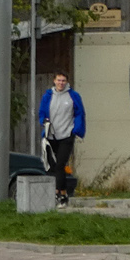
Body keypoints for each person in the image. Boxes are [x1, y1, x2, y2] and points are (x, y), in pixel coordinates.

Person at [38, 73, 86, 210]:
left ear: (67, 82)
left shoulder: (73, 96)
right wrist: (44, 122)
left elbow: (80, 113)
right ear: (54, 81)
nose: (61, 83)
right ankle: (60, 193)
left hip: (66, 135)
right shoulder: (48, 96)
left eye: (63, 80)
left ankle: (60, 195)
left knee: (60, 165)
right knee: (52, 166)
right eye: (59, 80)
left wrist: (75, 130)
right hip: (51, 136)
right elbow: (42, 113)